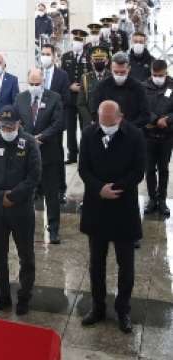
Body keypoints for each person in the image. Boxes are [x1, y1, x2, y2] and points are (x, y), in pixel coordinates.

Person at [79, 100, 145, 334]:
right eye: (101, 121)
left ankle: (123, 309)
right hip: (97, 206)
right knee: (96, 263)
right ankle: (97, 307)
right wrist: (100, 189)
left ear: (120, 118)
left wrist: (115, 189)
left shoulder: (135, 135)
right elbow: (83, 169)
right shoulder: (89, 134)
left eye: (109, 123)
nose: (104, 126)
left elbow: (138, 170)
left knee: (125, 264)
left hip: (123, 206)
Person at [0, 105, 42, 315]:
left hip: (21, 209)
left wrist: (13, 196)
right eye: (3, 126)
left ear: (19, 124)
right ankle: (3, 294)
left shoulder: (29, 143)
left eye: (11, 126)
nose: (7, 130)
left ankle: (24, 296)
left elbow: (34, 176)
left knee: (26, 255)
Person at [15, 68, 64, 243]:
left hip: (49, 153)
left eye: (37, 84)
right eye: (31, 84)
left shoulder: (55, 98)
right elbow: (17, 122)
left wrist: (41, 137)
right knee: (26, 192)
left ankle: (54, 229)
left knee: (52, 194)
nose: (34, 87)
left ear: (43, 82)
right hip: (26, 155)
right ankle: (25, 227)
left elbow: (58, 123)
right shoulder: (20, 98)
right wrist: (28, 138)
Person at [40, 43, 70, 204]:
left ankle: (60, 188)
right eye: (42, 54)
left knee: (57, 157)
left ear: (54, 56)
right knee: (37, 155)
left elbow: (66, 98)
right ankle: (39, 188)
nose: (44, 57)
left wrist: (52, 113)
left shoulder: (62, 75)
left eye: (47, 54)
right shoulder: (37, 73)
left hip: (55, 123)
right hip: (38, 123)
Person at [142, 60, 173, 217]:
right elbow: (141, 108)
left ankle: (162, 199)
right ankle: (152, 199)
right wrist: (155, 120)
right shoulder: (143, 87)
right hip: (148, 136)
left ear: (166, 73)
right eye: (155, 75)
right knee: (149, 169)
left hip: (167, 136)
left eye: (160, 75)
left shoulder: (172, 86)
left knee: (163, 169)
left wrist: (167, 120)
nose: (157, 78)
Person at [92, 52, 148, 129]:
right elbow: (95, 112)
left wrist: (127, 128)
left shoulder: (138, 87)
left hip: (132, 132)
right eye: (116, 72)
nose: (119, 75)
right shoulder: (102, 87)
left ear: (129, 69)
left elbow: (145, 115)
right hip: (108, 130)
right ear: (111, 68)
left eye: (122, 72)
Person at [61, 30, 91, 164]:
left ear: (84, 42)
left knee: (85, 126)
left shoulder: (89, 57)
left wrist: (84, 88)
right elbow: (62, 76)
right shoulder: (66, 57)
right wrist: (69, 86)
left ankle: (85, 154)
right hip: (70, 99)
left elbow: (91, 76)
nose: (77, 43)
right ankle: (72, 154)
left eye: (80, 40)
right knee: (70, 128)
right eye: (75, 40)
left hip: (84, 99)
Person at [78, 47, 111, 128]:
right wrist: (90, 120)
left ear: (106, 61)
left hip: (109, 120)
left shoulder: (112, 77)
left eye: (101, 60)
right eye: (96, 60)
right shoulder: (85, 78)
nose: (98, 62)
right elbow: (81, 103)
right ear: (92, 62)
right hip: (91, 122)